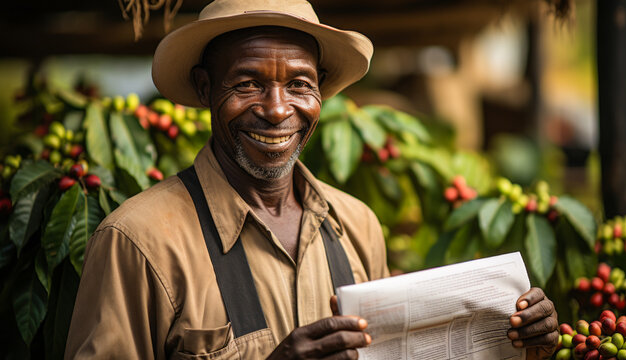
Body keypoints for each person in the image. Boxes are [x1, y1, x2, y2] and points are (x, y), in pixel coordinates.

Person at [65, 0, 559, 359]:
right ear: (204, 87)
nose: (278, 109)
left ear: (320, 92)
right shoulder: (138, 241)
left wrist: (516, 334)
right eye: (247, 83)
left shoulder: (356, 225)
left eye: (299, 84)